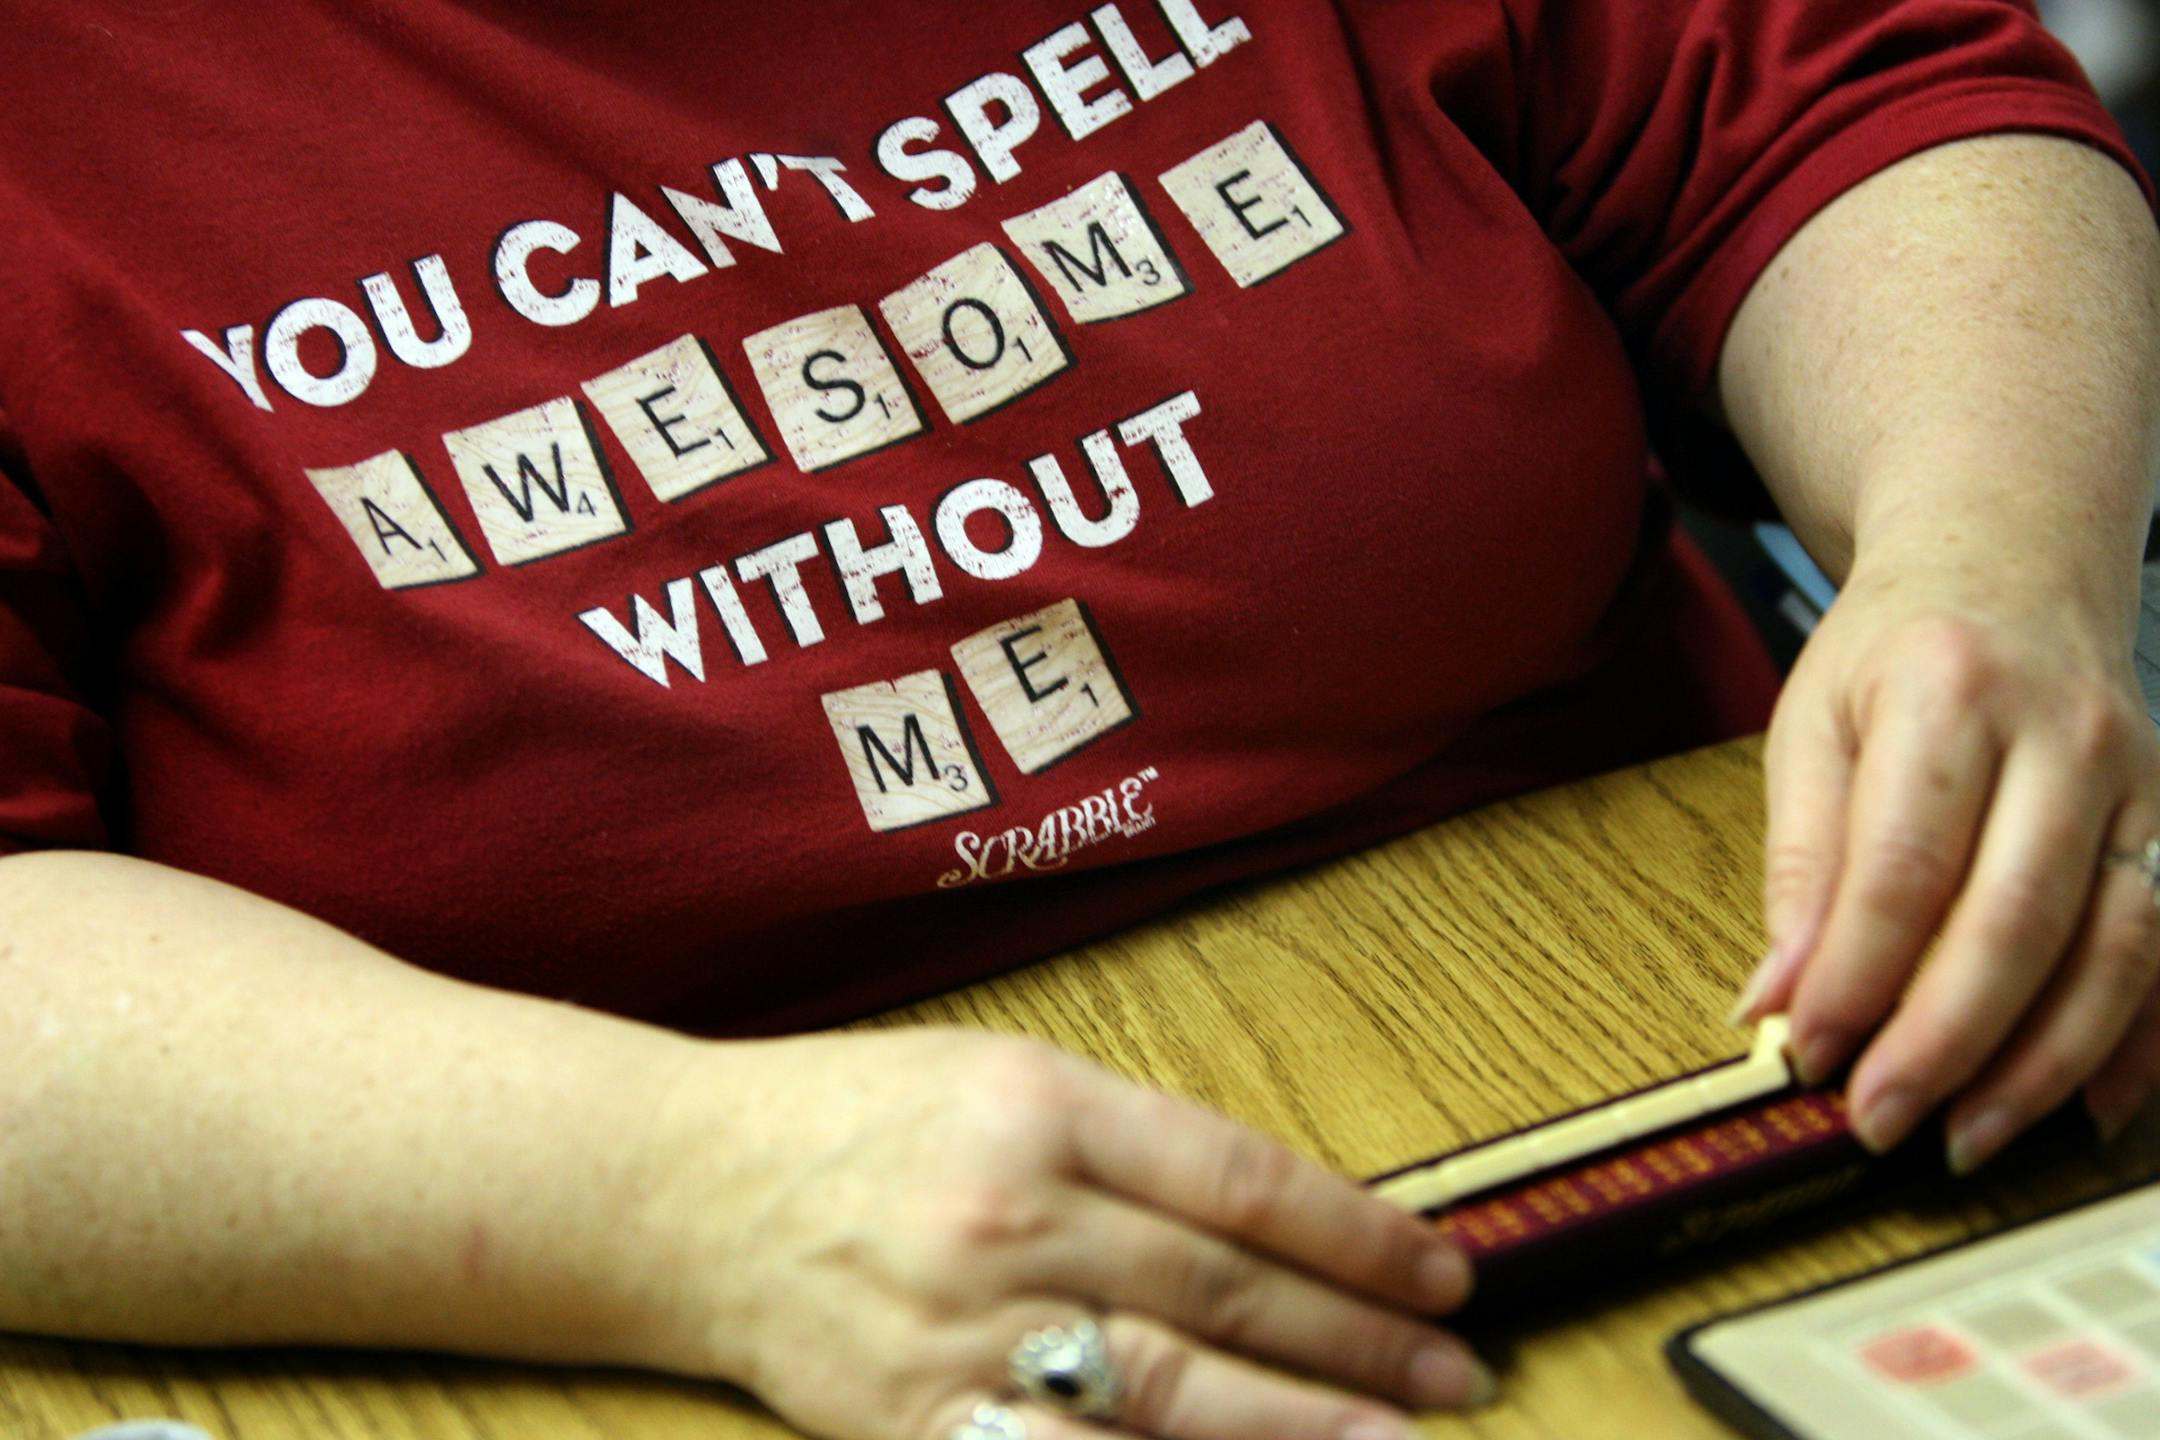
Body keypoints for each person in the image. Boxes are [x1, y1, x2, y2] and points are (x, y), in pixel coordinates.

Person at [2, 3, 2156, 1438]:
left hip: (1712, 1055)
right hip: (621, 1288)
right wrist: (683, 1205)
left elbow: (1825, 96)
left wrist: (1994, 566)